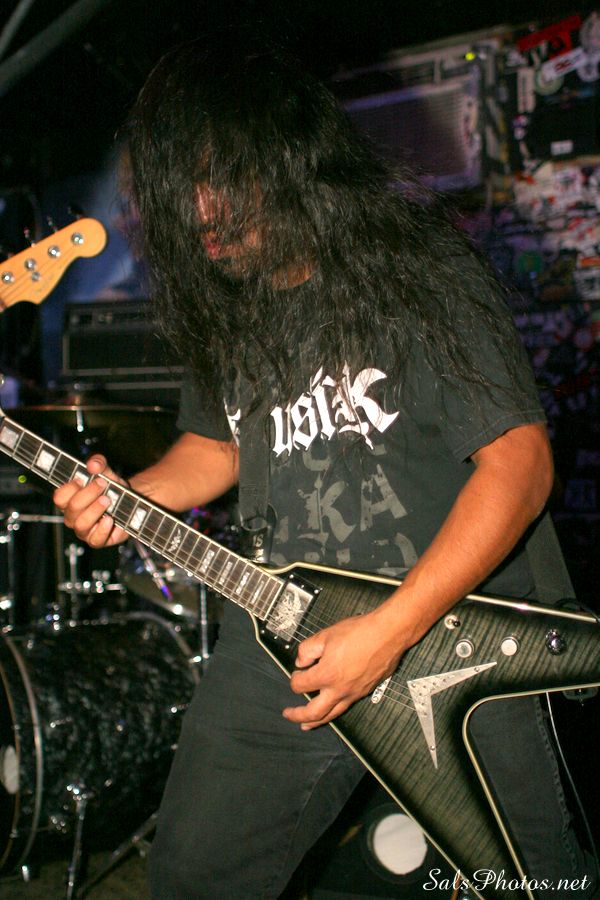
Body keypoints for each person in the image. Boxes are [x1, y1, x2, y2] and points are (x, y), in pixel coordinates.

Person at [53, 29, 597, 899]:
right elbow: (219, 447)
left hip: (453, 633)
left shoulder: (419, 269)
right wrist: (129, 496)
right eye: (182, 189)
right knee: (194, 877)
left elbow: (520, 465)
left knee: (533, 886)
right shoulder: (231, 312)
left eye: (218, 180)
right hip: (280, 634)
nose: (200, 213)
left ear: (284, 158)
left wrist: (390, 632)